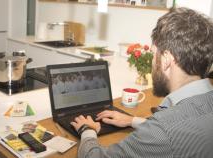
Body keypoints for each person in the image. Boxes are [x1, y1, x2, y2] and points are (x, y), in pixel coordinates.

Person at [70, 7, 213, 158]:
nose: (152, 61)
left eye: (153, 54)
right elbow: (181, 128)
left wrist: (87, 130)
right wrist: (132, 121)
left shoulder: (161, 131)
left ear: (166, 60)